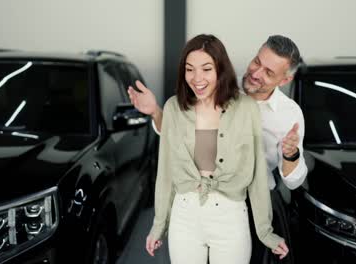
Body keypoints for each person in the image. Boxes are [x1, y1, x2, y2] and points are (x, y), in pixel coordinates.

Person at [129, 35, 307, 263]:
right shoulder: (212, 89)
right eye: (256, 62)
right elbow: (178, 144)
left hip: (251, 205)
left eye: (268, 73)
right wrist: (156, 112)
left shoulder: (287, 115)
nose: (256, 73)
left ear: (284, 79)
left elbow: (290, 180)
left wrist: (290, 153)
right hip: (192, 204)